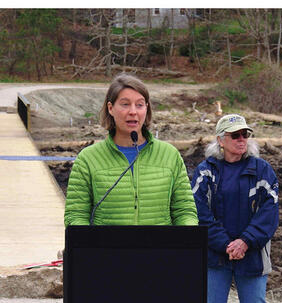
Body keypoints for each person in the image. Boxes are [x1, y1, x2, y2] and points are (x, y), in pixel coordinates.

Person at [193, 115, 280, 303]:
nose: (241, 139)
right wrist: (226, 243)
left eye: (245, 134)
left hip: (252, 255)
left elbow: (269, 213)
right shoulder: (205, 171)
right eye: (235, 135)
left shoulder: (262, 170)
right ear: (220, 140)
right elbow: (199, 213)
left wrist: (245, 241)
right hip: (215, 258)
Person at [63, 73, 197, 226]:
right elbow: (76, 216)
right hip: (106, 249)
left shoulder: (170, 155)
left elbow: (185, 211)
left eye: (139, 105)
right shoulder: (87, 159)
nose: (133, 111)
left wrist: (185, 243)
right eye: (125, 104)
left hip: (160, 249)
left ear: (146, 108)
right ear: (111, 108)